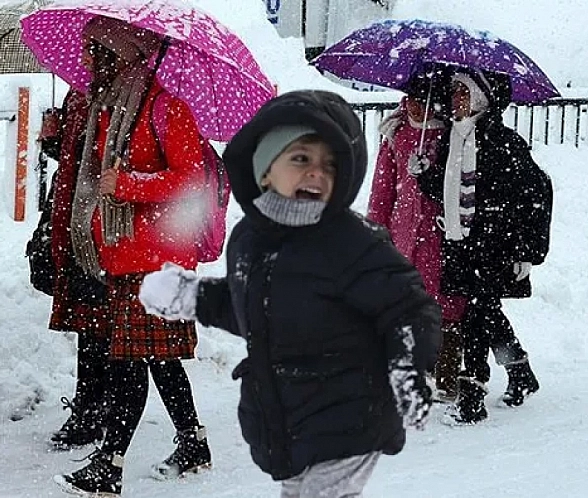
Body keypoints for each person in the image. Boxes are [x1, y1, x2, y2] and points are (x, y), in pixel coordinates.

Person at [139, 90, 442, 498]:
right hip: (292, 416)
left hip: (350, 412)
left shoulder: (353, 243)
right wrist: (192, 297)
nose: (316, 172)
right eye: (301, 159)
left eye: (329, 164)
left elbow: (408, 308)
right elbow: (254, 308)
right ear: (265, 168)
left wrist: (408, 365)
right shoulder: (250, 238)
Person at [54, 16, 212, 497]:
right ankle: (193, 442)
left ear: (119, 55)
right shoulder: (113, 109)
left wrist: (126, 185)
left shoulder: (166, 108)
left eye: (92, 53)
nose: (84, 63)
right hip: (127, 256)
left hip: (159, 261)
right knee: (158, 359)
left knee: (127, 361)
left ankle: (109, 465)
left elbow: (192, 182)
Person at [414, 68, 553, 425]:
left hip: (494, 244)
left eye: (462, 92)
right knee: (485, 311)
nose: (454, 98)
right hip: (458, 242)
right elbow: (444, 190)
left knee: (476, 316)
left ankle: (472, 394)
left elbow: (535, 195)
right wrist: (423, 173)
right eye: (453, 92)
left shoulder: (503, 142)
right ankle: (520, 369)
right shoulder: (451, 139)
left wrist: (527, 251)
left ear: (480, 98)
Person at [367, 69, 468, 401]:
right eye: (409, 98)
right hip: (403, 234)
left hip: (441, 236)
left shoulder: (454, 136)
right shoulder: (396, 134)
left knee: (446, 304)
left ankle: (447, 371)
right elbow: (382, 191)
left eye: (420, 100)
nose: (412, 107)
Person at [35, 88, 111, 450]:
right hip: (76, 220)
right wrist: (54, 134)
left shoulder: (110, 97)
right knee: (90, 324)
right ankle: (93, 407)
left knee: (99, 323)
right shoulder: (78, 95)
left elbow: (97, 157)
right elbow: (69, 156)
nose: (82, 56)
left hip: (97, 222)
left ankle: (93, 411)